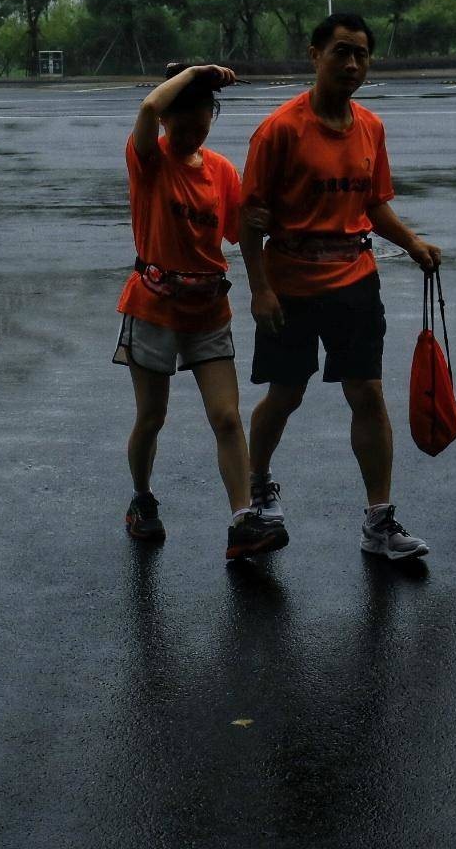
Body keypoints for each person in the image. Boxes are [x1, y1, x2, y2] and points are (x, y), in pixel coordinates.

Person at [239, 13, 442, 562]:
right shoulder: (280, 130)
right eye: (341, 53)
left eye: (361, 54)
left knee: (368, 394)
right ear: (314, 55)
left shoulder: (370, 127)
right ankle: (257, 492)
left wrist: (413, 243)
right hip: (290, 284)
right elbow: (249, 219)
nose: (352, 64)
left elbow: (372, 204)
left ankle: (380, 520)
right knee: (285, 394)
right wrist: (259, 290)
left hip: (354, 280)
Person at [116, 63, 289, 561]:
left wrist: (263, 273)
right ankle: (142, 501)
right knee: (152, 417)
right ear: (168, 123)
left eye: (203, 124)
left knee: (226, 418)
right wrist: (194, 72)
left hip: (209, 311)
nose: (194, 135)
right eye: (185, 126)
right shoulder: (147, 160)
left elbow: (243, 234)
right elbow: (147, 107)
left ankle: (242, 522)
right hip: (152, 307)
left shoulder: (219, 170)